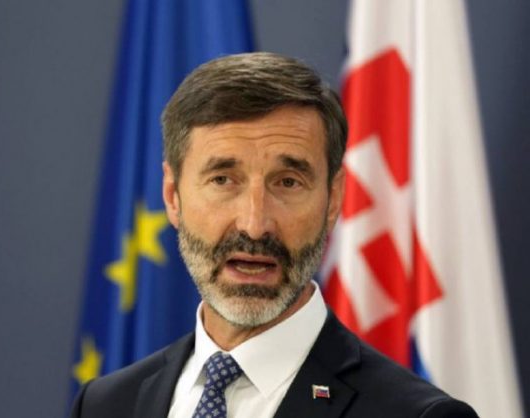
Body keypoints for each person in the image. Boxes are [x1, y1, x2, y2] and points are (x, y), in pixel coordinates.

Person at [69, 52, 478, 418]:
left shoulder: (419, 416)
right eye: (223, 179)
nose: (254, 225)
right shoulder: (104, 405)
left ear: (333, 200)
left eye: (287, 182)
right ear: (173, 196)